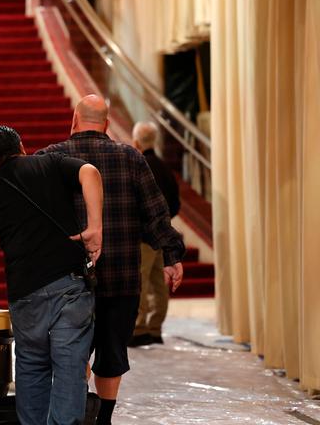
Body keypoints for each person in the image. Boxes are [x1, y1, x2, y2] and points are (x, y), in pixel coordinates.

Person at [0, 125, 104, 424]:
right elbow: (90, 172)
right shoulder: (49, 163)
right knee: (69, 368)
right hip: (69, 285)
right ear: (22, 146)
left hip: (25, 295)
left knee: (31, 367)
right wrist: (95, 228)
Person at [37, 95, 186, 425]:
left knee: (70, 355)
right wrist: (171, 255)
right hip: (121, 279)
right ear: (106, 125)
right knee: (112, 355)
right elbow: (156, 214)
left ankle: (72, 415)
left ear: (74, 120)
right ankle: (102, 420)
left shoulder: (50, 158)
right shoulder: (131, 157)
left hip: (66, 280)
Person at [129, 122, 181, 347]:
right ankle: (155, 327)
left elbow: (137, 204)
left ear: (137, 142)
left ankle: (139, 328)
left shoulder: (140, 167)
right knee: (160, 284)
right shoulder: (164, 167)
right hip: (162, 235)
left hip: (143, 236)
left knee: (141, 282)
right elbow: (175, 203)